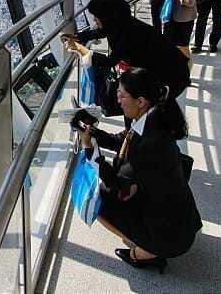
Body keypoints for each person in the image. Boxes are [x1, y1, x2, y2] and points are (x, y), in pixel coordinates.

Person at [78, 67, 202, 273]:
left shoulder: (153, 142)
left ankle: (150, 252)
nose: (118, 100)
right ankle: (147, 241)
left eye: (121, 95)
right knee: (110, 194)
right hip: (176, 216)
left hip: (171, 235)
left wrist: (90, 149)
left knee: (96, 202)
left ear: (141, 101)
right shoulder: (153, 119)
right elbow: (124, 140)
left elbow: (115, 180)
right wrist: (94, 133)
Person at [60, 0, 190, 118]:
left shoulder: (130, 35)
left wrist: (77, 47)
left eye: (97, 15)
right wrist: (79, 37)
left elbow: (106, 63)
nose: (94, 19)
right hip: (169, 69)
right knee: (137, 104)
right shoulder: (123, 23)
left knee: (144, 109)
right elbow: (103, 31)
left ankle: (140, 133)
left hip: (171, 78)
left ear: (107, 17)